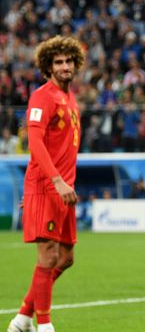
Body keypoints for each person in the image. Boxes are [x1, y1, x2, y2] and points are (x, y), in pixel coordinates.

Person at [7, 36, 85, 332]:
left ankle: (23, 316)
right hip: (49, 186)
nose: (65, 67)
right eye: (58, 62)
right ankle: (45, 325)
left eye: (68, 61)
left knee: (65, 258)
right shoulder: (43, 96)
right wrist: (52, 183)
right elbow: (35, 143)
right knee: (48, 255)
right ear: (47, 67)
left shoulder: (70, 98)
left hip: (63, 190)